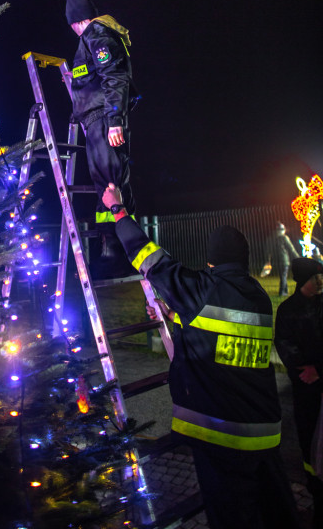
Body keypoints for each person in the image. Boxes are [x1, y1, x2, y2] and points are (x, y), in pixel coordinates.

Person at [101, 182, 300, 529]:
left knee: (231, 517)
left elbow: (150, 258)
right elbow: (220, 328)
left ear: (211, 261)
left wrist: (118, 211)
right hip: (265, 433)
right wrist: (177, 314)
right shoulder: (257, 297)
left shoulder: (203, 289)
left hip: (224, 437)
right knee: (272, 512)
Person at [65, 0, 138, 274]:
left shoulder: (95, 34)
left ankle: (115, 253)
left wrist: (115, 119)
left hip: (103, 119)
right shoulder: (95, 37)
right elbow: (95, 76)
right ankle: (115, 249)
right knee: (108, 184)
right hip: (98, 118)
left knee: (110, 183)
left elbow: (114, 76)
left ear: (75, 20)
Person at [275, 257, 323, 528]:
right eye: (315, 278)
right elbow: (287, 349)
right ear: (302, 281)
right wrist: (308, 373)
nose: (320, 282)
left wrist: (319, 370)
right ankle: (317, 498)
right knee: (309, 446)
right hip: (307, 393)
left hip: (317, 383)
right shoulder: (287, 311)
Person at [262, 221, 298, 296]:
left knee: (282, 276)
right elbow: (291, 249)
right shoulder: (284, 238)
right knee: (283, 276)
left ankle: (285, 291)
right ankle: (282, 292)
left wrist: (268, 261)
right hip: (284, 261)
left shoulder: (271, 239)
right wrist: (298, 258)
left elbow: (268, 251)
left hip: (276, 261)